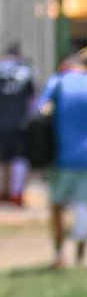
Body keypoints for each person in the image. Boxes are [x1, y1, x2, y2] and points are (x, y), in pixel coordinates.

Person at [37, 51, 87, 269]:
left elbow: (42, 110)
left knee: (57, 206)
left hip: (61, 156)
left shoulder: (58, 82)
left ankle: (59, 254)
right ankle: (80, 258)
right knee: (83, 207)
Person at [0, 42, 37, 206]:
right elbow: (33, 98)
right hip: (21, 123)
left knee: (2, 159)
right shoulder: (26, 71)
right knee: (19, 158)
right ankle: (16, 193)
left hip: (1, 122)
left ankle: (3, 191)